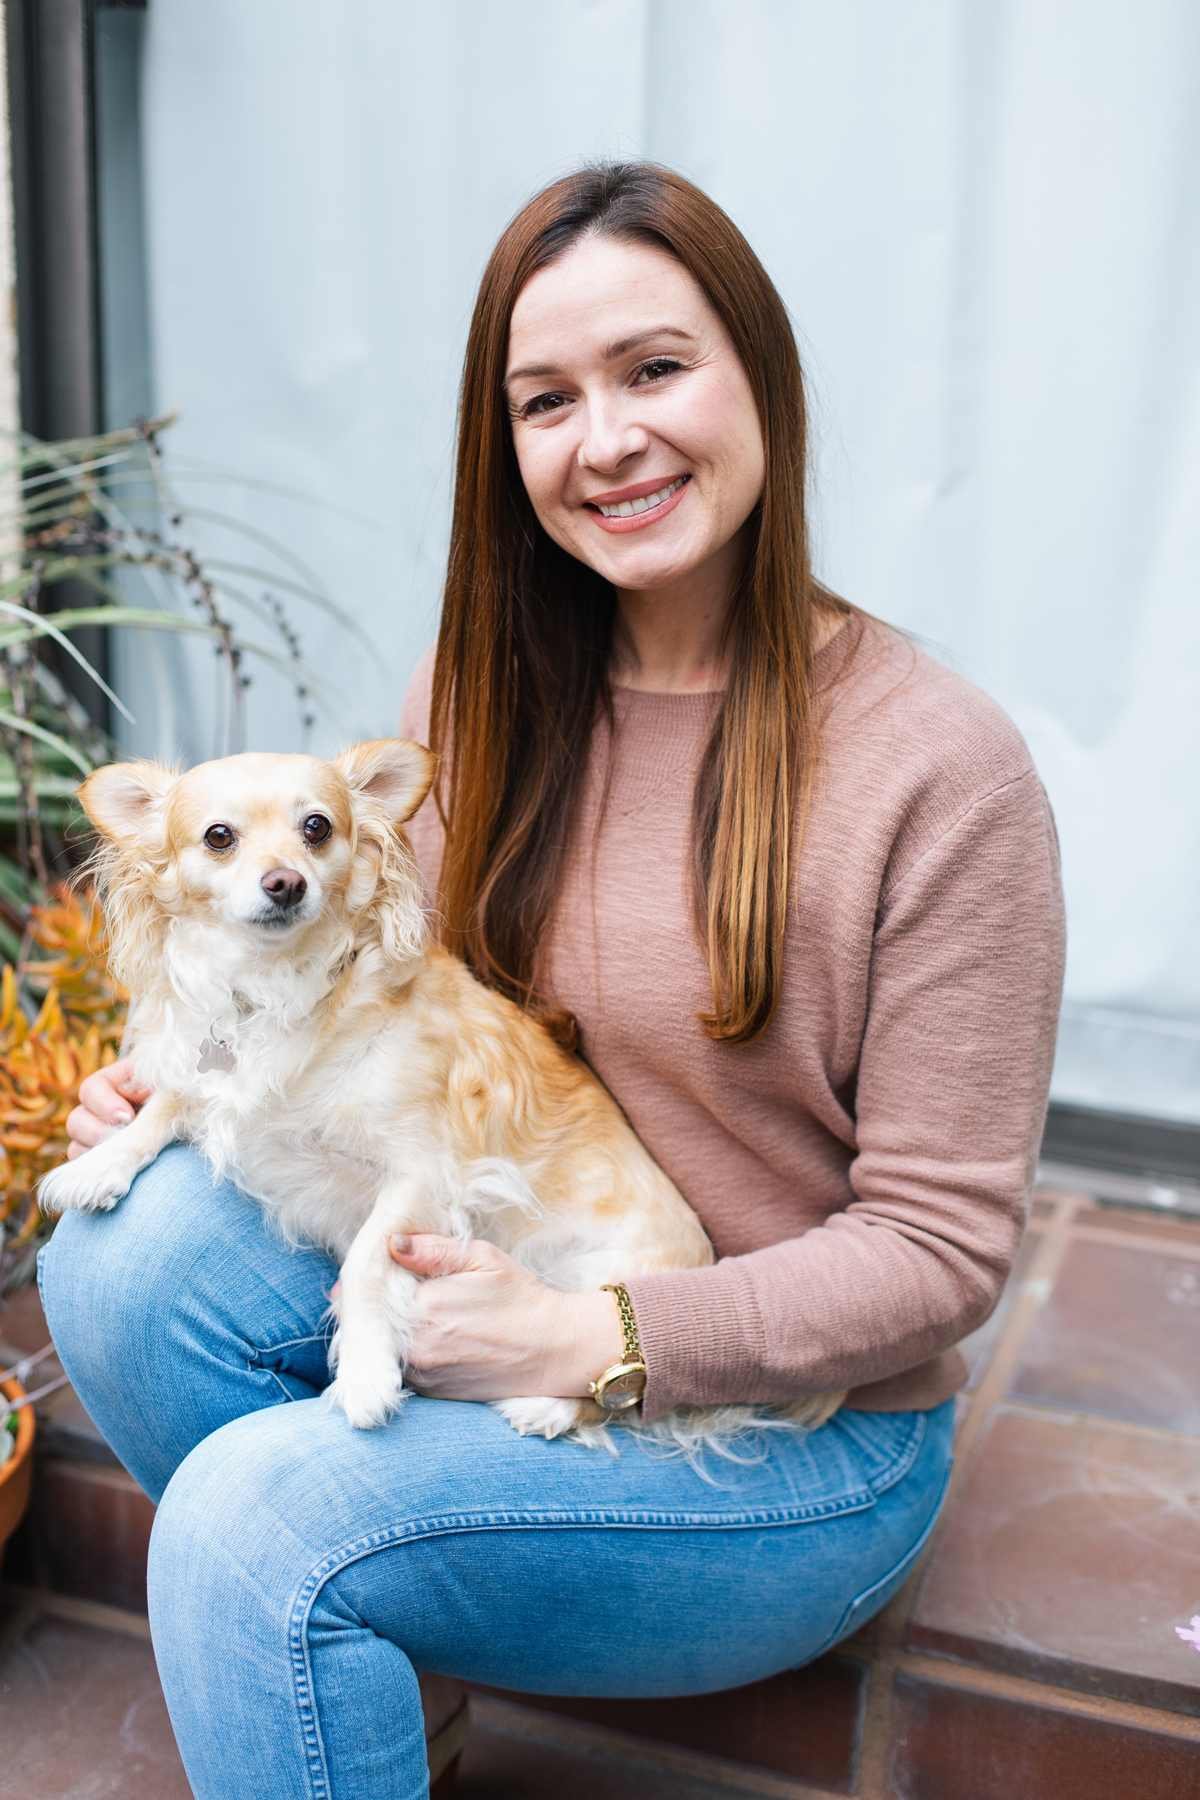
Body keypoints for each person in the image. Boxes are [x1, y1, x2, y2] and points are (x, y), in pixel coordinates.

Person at [40, 162, 1066, 1799]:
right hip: (507, 1245)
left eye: (656, 371)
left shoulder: (941, 772)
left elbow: (941, 1254)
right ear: (503, 447)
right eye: (546, 400)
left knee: (251, 1532)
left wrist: (587, 1338)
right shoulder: (482, 686)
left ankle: (322, 1594)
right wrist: (202, 1082)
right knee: (120, 1256)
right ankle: (369, 1672)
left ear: (762, 379)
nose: (606, 441)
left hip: (795, 1442)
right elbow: (396, 999)